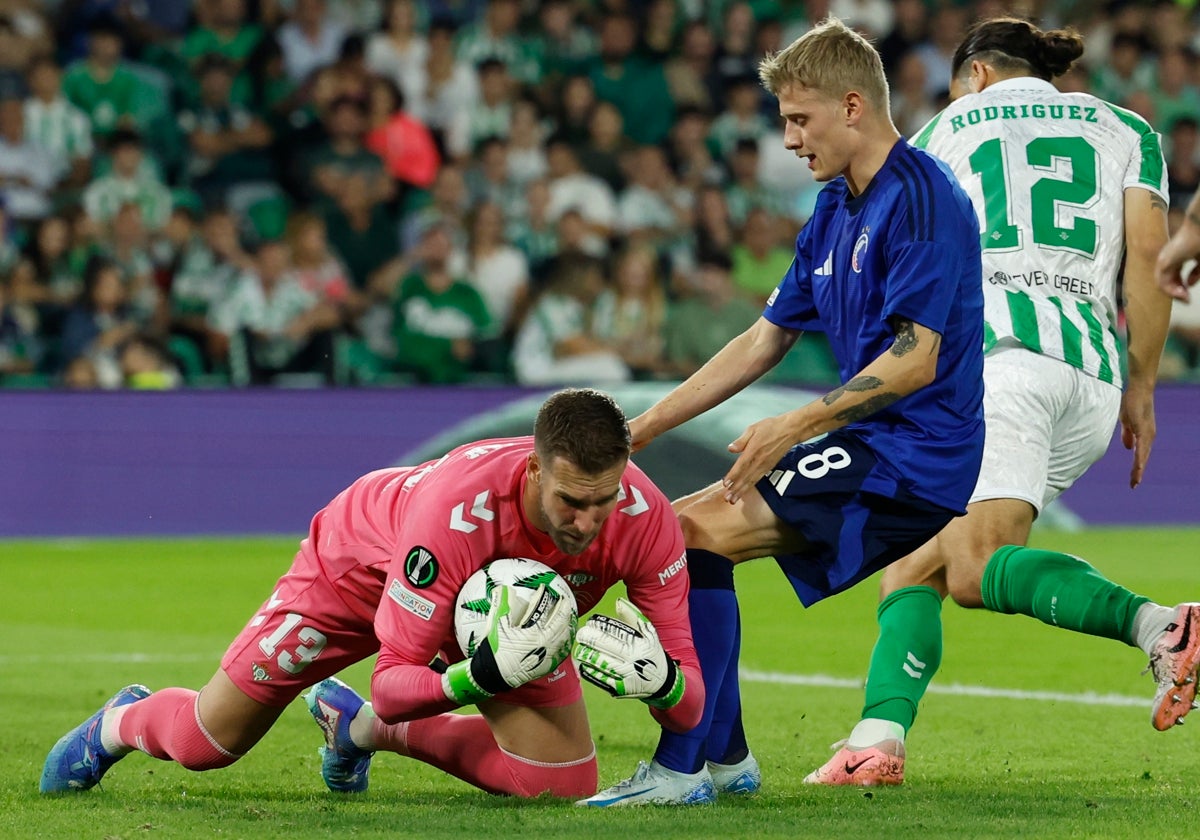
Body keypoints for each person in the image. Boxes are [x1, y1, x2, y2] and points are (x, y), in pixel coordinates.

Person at [581, 17, 986, 806]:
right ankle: (724, 760)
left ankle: (682, 768)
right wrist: (641, 431)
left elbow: (918, 356)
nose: (789, 139)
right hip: (875, 441)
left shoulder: (922, 199)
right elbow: (764, 339)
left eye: (800, 119)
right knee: (683, 535)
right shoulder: (833, 213)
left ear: (853, 106)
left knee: (690, 532)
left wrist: (792, 427)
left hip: (917, 452)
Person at [804, 17, 1192, 789]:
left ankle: (1162, 626)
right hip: (1090, 374)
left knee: (976, 567)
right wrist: (1142, 387)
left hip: (997, 368)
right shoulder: (1128, 128)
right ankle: (877, 740)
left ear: (975, 74)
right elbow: (1150, 260)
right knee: (914, 563)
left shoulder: (938, 134)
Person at [40, 388, 703, 801]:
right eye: (570, 501)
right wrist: (481, 677)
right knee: (207, 744)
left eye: (603, 499)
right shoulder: (454, 515)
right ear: (534, 469)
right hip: (355, 574)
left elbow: (689, 702)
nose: (588, 522)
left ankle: (354, 729)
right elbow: (394, 680)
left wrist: (664, 684)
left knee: (558, 782)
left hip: (507, 614)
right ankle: (122, 722)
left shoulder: (646, 523)